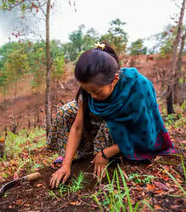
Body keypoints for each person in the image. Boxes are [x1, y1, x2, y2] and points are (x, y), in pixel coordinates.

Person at [48, 42, 176, 188]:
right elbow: (77, 127)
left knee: (109, 124)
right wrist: (66, 164)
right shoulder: (91, 88)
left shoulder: (138, 88)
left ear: (114, 80)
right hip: (102, 122)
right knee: (67, 111)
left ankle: (114, 154)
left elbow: (143, 130)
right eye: (88, 91)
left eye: (96, 91)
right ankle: (83, 153)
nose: (92, 95)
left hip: (131, 133)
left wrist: (106, 153)